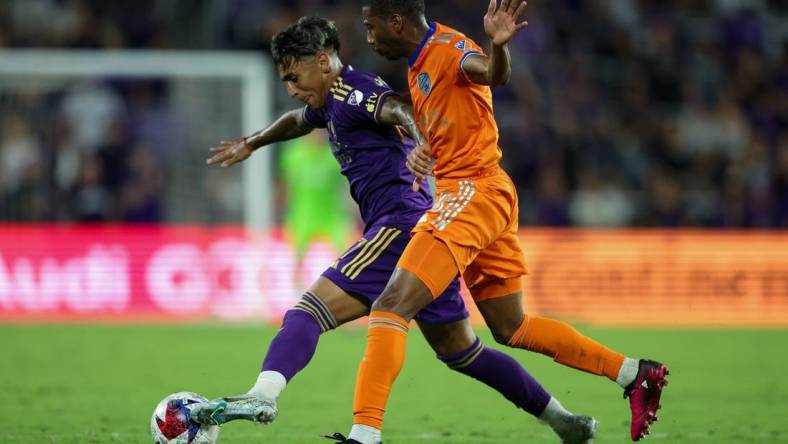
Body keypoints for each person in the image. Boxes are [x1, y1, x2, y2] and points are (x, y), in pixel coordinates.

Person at [190, 16, 596, 443]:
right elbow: (299, 119)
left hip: (396, 226)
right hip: (422, 226)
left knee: (308, 311)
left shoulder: (356, 91)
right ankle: (563, 419)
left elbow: (397, 107)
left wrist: (423, 140)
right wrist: (252, 142)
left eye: (294, 75)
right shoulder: (329, 101)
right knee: (463, 352)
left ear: (324, 62)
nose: (291, 87)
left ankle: (263, 395)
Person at [337, 1, 669, 443]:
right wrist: (425, 149)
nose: (369, 36)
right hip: (487, 193)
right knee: (512, 327)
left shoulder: (449, 47)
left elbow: (491, 73)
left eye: (371, 26)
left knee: (390, 305)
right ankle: (633, 373)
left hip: (471, 194)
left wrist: (498, 47)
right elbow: (449, 120)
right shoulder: (420, 63)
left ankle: (364, 435)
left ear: (395, 21)